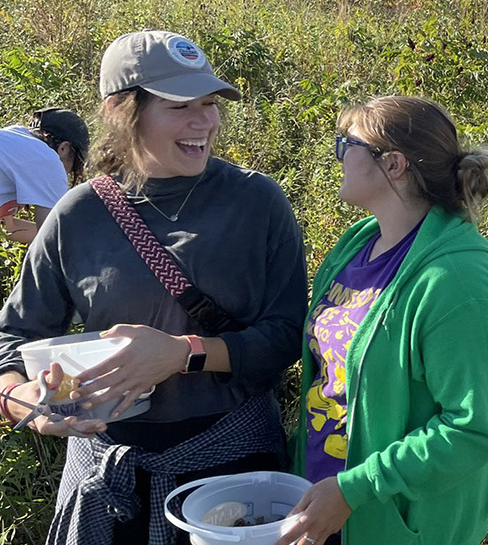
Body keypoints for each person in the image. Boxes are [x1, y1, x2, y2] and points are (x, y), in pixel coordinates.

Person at [0, 30, 307, 545]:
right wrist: (25, 402)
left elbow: (287, 337)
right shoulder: (78, 215)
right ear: (122, 111)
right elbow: (12, 338)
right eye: (180, 106)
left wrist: (183, 354)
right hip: (106, 475)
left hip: (230, 473)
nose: (204, 121)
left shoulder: (257, 203)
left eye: (209, 103)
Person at [276, 96, 488, 545]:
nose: (339, 154)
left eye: (348, 144)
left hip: (392, 524)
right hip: (322, 505)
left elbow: (472, 430)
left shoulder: (460, 283)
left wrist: (355, 488)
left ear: (394, 164)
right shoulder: (357, 245)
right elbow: (330, 379)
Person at [0, 107, 90, 244]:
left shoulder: (15, 141)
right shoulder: (48, 160)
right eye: (74, 165)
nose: (68, 173)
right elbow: (52, 240)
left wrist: (82, 239)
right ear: (64, 148)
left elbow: (9, 228)